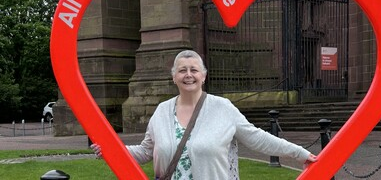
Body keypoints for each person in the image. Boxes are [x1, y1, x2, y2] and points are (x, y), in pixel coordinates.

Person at [91, 50, 317, 179]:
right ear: (174, 77)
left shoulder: (223, 108)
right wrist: (110, 150)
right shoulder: (161, 111)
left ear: (203, 76)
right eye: (182, 70)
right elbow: (145, 151)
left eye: (194, 70)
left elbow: (258, 138)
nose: (188, 75)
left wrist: (299, 153)